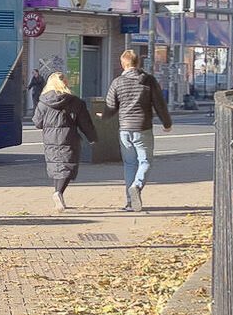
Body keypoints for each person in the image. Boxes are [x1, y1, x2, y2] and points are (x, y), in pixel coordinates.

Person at [100, 49, 173, 213]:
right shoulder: (148, 80)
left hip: (124, 129)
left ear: (123, 64)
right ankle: (137, 186)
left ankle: (129, 203)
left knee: (129, 164)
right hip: (143, 128)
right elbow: (159, 104)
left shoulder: (117, 82)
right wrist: (167, 123)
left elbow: (111, 107)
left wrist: (103, 116)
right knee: (145, 161)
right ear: (137, 63)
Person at [32, 72, 98, 211]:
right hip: (69, 138)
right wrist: (92, 138)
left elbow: (37, 123)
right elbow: (85, 123)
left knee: (57, 167)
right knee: (67, 167)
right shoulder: (76, 102)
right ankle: (58, 193)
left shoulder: (43, 102)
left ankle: (58, 195)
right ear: (65, 83)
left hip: (50, 139)